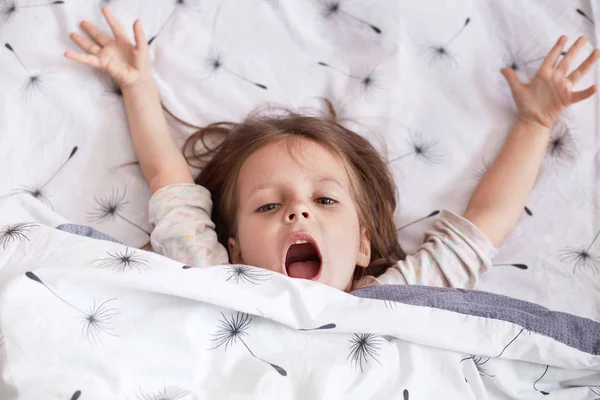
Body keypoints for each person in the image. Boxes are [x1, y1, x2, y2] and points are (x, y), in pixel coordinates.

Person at [65, 7, 600, 292]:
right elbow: (167, 177)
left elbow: (483, 224)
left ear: (363, 248)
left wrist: (535, 120)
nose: (297, 209)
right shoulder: (211, 274)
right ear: (233, 249)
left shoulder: (396, 298)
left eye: (325, 201)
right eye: (268, 206)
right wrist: (138, 86)